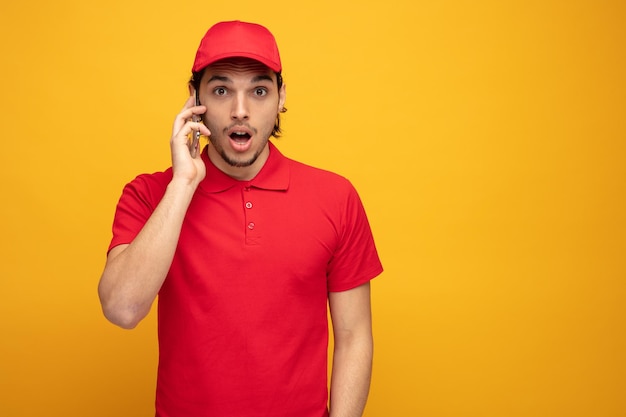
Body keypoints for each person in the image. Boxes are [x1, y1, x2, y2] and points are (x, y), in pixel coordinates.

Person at [98, 20, 383, 417]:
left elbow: (354, 336)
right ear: (194, 98)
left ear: (281, 96)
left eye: (260, 91)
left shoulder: (336, 197)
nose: (240, 111)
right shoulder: (150, 195)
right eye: (220, 90)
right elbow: (122, 309)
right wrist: (183, 183)